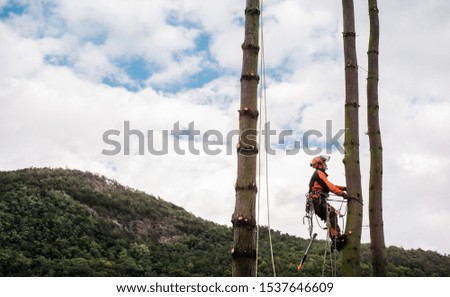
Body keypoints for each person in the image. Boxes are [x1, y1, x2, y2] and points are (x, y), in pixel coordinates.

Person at [308, 155, 348, 251]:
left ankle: (336, 241)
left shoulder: (320, 174)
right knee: (332, 213)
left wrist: (343, 188)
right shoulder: (318, 173)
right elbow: (330, 186)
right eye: (324, 163)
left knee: (330, 217)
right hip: (317, 200)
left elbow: (330, 185)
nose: (325, 165)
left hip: (316, 201)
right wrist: (342, 194)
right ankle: (336, 238)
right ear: (320, 164)